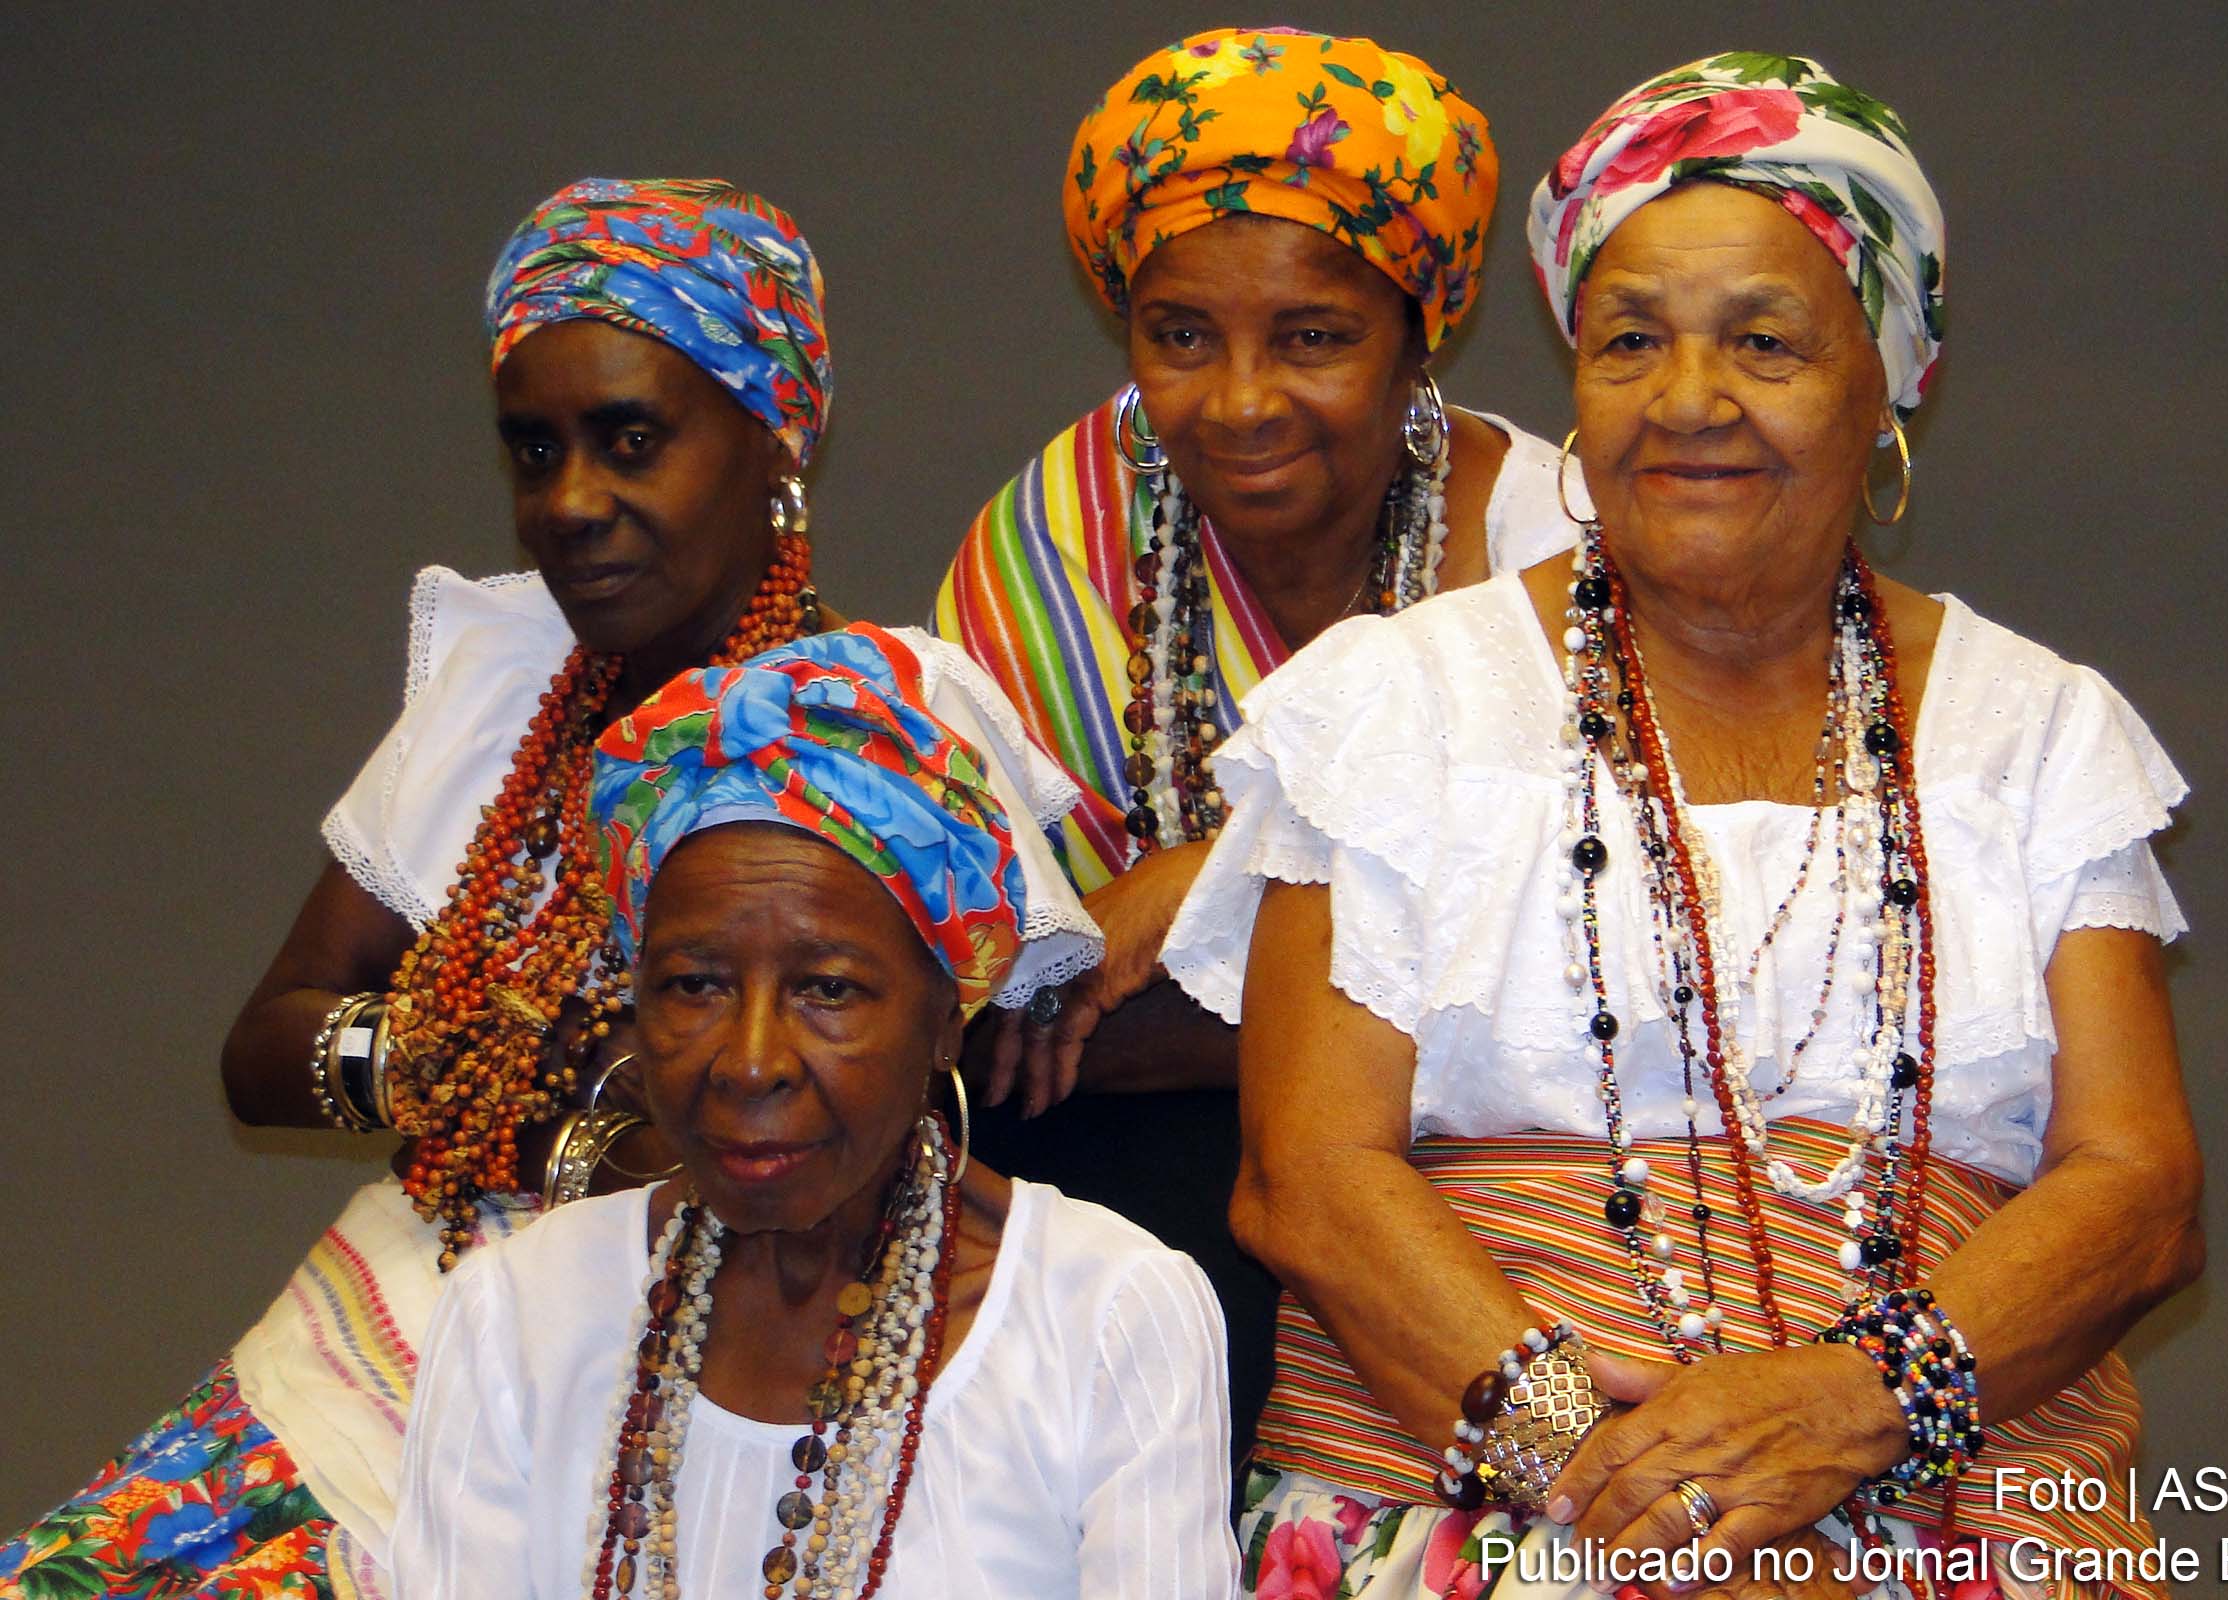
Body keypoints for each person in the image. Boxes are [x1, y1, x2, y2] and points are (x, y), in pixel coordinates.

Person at [1164, 53, 2202, 1600]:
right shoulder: (1396, 708)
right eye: (1630, 341)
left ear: (1890, 379)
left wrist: (1854, 1412)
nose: (1689, 400)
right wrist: (1643, 1504)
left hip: (1952, 1515)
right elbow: (1309, 1180)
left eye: (1765, 344)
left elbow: (2138, 1190)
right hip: (1500, 1518)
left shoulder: (2036, 728)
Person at [0, 179, 1097, 1598]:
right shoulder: (508, 685)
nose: (572, 504)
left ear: (777, 443)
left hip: (673, 1388)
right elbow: (266, 1047)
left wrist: (588, 1118)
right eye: (536, 451)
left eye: (632, 441)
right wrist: (539, 1086)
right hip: (352, 1354)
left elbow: (966, 1097)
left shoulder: (896, 724)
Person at [933, 25, 1579, 1462]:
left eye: (1312, 336)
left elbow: (1563, 986)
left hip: (1489, 1184)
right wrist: (1339, 961)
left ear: (1422, 333)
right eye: (1179, 337)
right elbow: (999, 1006)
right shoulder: (1061, 537)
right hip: (1112, 1181)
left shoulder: (1554, 540)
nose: (1236, 403)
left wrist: (1204, 881)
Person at [389, 627, 1238, 1598]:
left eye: (827, 990)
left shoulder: (1105, 1320)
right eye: (694, 984)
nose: (750, 1062)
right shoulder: (518, 1325)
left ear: (945, 1018)